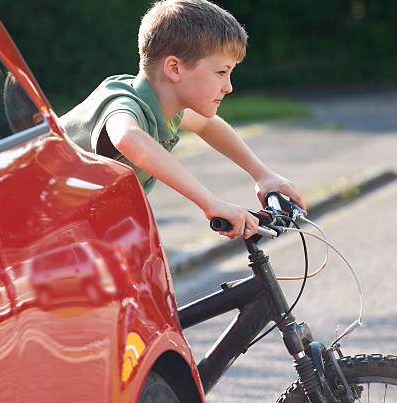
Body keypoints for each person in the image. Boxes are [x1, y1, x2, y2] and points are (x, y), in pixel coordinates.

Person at [60, 0, 305, 240]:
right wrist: (210, 203)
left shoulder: (164, 108)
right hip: (38, 227)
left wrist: (262, 174)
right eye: (221, 72)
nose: (228, 87)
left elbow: (207, 124)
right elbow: (128, 138)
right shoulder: (124, 104)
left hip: (82, 232)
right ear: (174, 68)